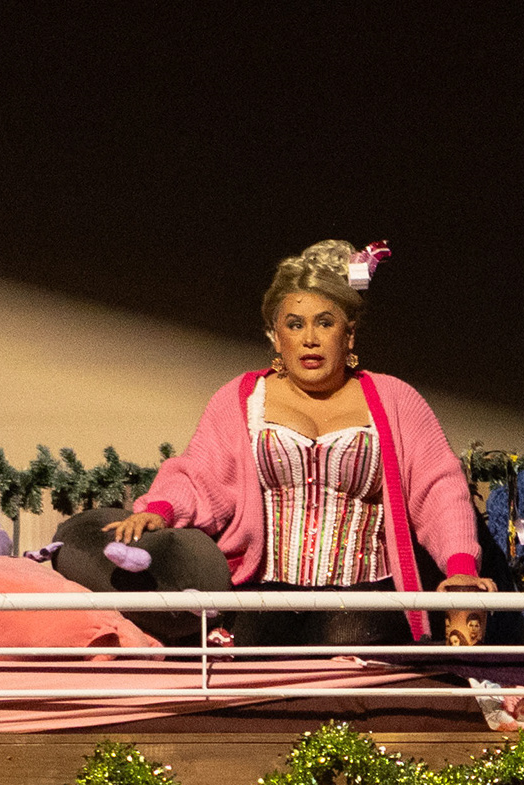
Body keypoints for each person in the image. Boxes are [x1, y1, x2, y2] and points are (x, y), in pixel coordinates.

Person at [53, 239, 493, 649]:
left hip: (365, 596)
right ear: (275, 336)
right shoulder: (242, 399)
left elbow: (439, 488)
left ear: (349, 335)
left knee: (348, 649)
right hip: (264, 592)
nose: (310, 339)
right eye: (295, 324)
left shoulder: (395, 399)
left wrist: (461, 568)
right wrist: (161, 509)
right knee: (252, 658)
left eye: (325, 323)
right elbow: (201, 473)